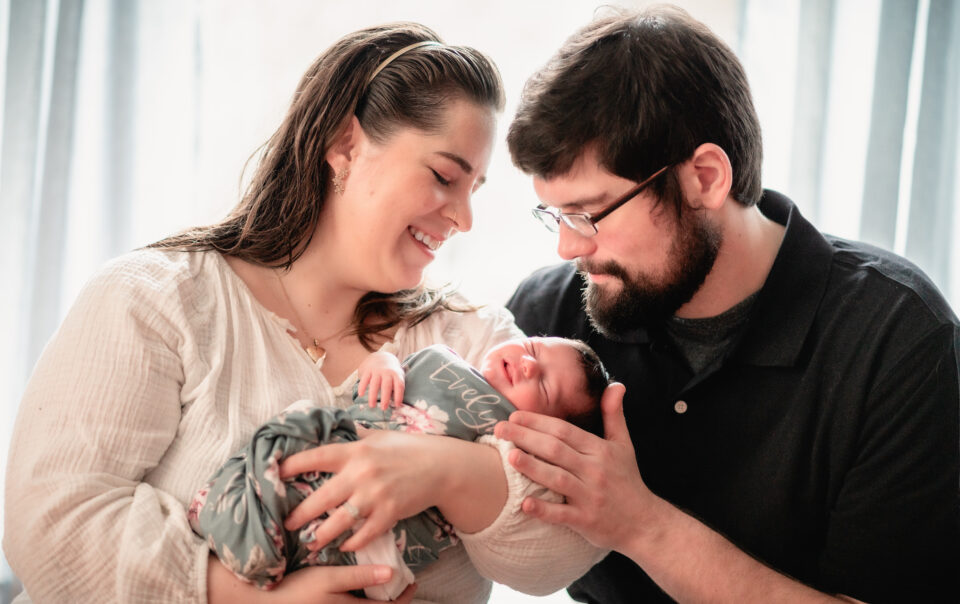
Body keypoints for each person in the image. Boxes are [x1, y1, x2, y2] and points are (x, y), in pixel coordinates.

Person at [3, 23, 604, 603]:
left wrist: (439, 468)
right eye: (445, 176)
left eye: (474, 189)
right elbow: (51, 522)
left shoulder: (476, 339)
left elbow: (559, 550)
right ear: (345, 146)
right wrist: (239, 596)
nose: (464, 219)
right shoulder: (159, 300)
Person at [496, 5, 959, 604]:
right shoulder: (546, 322)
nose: (567, 247)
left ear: (706, 177)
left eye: (590, 214)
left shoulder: (900, 344)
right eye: (556, 216)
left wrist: (641, 524)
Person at [190, 338, 609, 600]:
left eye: (544, 387)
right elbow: (374, 386)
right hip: (343, 442)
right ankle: (244, 522)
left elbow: (540, 511)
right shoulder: (440, 360)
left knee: (373, 565)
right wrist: (383, 362)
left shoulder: (508, 440)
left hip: (390, 527)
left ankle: (261, 548)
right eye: (533, 347)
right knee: (294, 439)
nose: (528, 364)